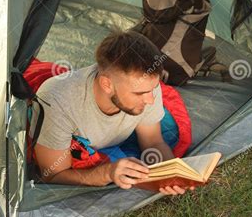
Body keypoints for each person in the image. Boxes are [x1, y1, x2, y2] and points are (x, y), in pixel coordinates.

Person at [31, 30, 193, 195]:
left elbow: (153, 142)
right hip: (45, 92)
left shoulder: (146, 87)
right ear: (107, 85)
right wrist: (107, 173)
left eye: (152, 89)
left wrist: (173, 174)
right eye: (139, 93)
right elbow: (53, 175)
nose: (151, 100)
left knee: (173, 131)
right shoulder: (59, 102)